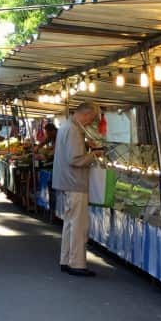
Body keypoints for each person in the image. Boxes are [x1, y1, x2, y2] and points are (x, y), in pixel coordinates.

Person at [52, 103, 100, 277]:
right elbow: (75, 159)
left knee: (70, 223)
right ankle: (77, 264)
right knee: (78, 225)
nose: (90, 123)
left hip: (66, 182)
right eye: (91, 119)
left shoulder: (65, 126)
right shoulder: (73, 130)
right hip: (75, 182)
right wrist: (95, 154)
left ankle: (66, 260)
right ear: (85, 115)